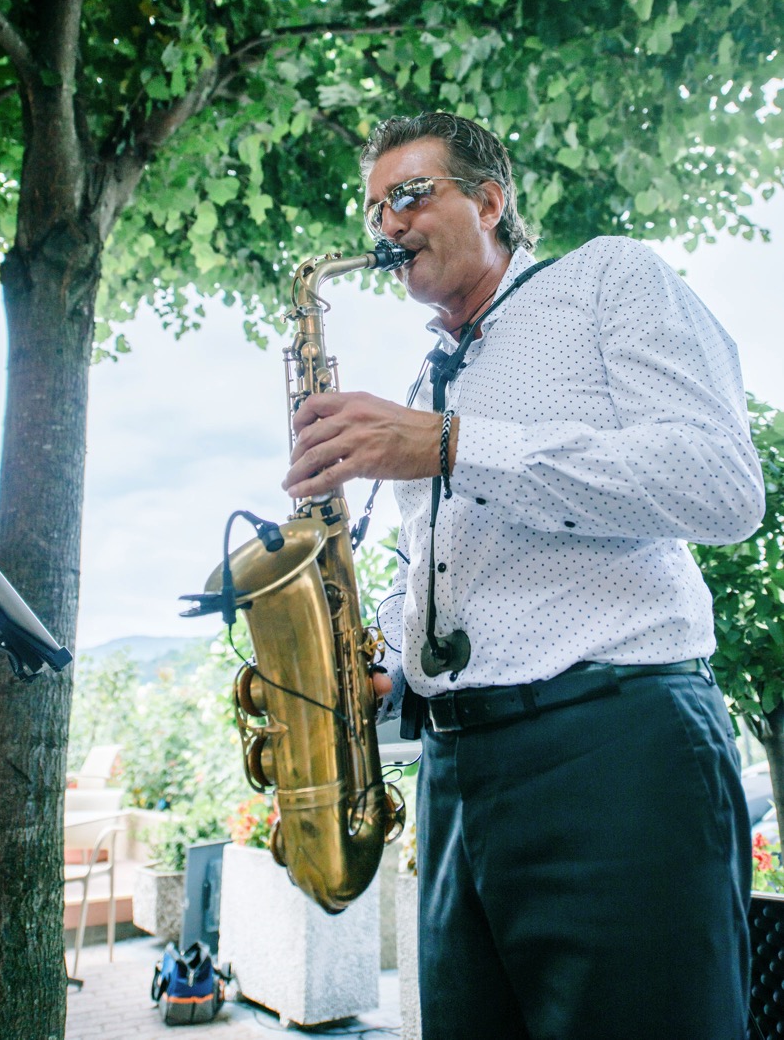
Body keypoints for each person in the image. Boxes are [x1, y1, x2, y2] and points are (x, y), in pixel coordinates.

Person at [282, 112, 764, 1040]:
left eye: (410, 196)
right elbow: (439, 561)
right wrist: (377, 658)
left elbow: (721, 488)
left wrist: (456, 446)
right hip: (456, 776)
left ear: (491, 200)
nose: (386, 225)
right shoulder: (425, 384)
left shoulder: (608, 279)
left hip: (618, 750)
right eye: (375, 207)